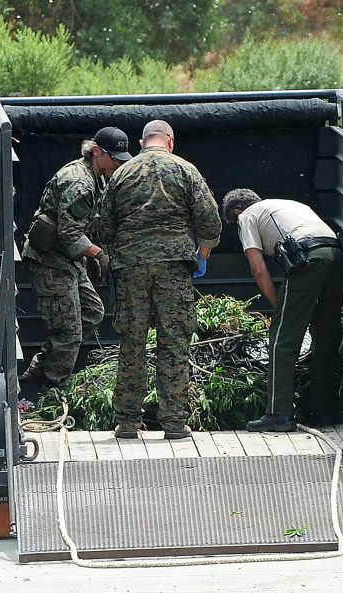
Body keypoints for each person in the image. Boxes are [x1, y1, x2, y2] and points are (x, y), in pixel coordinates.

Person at [100, 120, 222, 440]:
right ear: (170, 141)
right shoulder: (186, 170)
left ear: (141, 143)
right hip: (174, 269)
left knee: (132, 342)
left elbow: (104, 226)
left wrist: (121, 254)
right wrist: (203, 254)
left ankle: (127, 422)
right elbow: (210, 222)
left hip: (130, 269)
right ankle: (173, 422)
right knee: (174, 341)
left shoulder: (122, 174)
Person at [222, 188, 343, 432]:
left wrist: (278, 307)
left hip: (309, 257)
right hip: (337, 256)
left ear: (237, 212)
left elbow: (258, 269)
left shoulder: (247, 216)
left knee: (282, 340)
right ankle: (322, 411)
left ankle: (278, 414)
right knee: (326, 335)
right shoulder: (287, 203)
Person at [19, 127, 132, 397]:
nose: (117, 164)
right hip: (51, 261)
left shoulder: (95, 177)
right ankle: (50, 390)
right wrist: (98, 254)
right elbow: (69, 233)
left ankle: (40, 370)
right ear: (96, 152)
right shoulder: (80, 182)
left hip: (67, 261)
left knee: (91, 312)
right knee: (69, 331)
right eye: (113, 158)